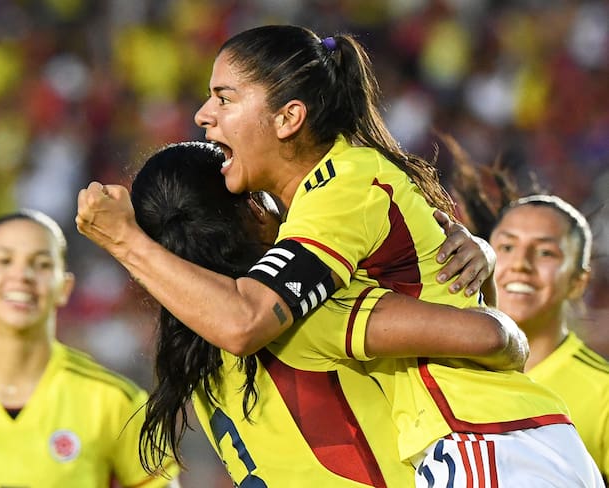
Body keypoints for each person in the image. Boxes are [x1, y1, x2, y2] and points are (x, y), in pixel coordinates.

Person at [76, 26, 602, 486]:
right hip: (487, 440)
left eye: (225, 97)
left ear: (288, 118)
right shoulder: (325, 215)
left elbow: (246, 319)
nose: (203, 114)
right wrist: (490, 299)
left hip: (482, 439)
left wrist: (127, 243)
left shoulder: (337, 191)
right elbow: (490, 331)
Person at [130, 142, 527, 487]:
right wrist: (478, 268)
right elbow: (487, 336)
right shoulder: (304, 311)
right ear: (254, 206)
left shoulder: (194, 347)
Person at [0, 209, 180, 487]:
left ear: (65, 287)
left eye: (40, 264)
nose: (21, 275)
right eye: (4, 261)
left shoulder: (112, 400)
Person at [443, 134, 609, 483]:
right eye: (506, 247)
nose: (521, 264)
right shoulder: (448, 370)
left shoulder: (602, 395)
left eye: (546, 252)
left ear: (579, 281)